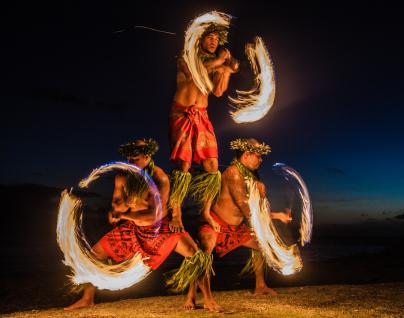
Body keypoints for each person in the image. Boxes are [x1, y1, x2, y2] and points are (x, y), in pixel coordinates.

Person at [65, 138, 220, 311]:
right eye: (129, 159)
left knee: (196, 256)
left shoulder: (160, 178)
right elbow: (117, 203)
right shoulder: (123, 176)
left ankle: (208, 299)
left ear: (147, 156)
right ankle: (87, 298)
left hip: (162, 228)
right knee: (94, 254)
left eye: (135, 159)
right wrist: (118, 208)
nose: (131, 162)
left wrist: (124, 213)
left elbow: (155, 215)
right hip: (134, 228)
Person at [193, 138, 292, 306]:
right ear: (246, 155)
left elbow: (257, 205)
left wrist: (261, 191)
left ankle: (260, 285)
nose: (261, 160)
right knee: (204, 253)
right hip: (216, 224)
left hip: (236, 228)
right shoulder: (233, 173)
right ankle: (197, 295)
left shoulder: (252, 175)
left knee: (260, 246)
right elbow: (246, 207)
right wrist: (277, 216)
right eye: (258, 156)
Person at [168, 23, 239, 234]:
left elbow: (217, 91)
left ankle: (205, 211)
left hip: (203, 117)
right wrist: (221, 61)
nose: (214, 41)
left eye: (217, 39)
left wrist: (227, 71)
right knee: (183, 165)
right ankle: (176, 213)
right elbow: (197, 73)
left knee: (212, 166)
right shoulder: (186, 58)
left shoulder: (214, 64)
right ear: (200, 39)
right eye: (210, 37)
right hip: (182, 114)